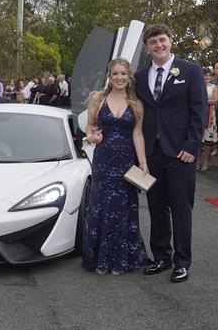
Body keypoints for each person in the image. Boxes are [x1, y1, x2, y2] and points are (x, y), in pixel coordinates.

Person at [134, 24, 207, 283]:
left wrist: (191, 146)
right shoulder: (140, 77)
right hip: (153, 154)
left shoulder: (191, 70)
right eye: (153, 42)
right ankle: (162, 256)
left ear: (170, 41)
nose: (158, 45)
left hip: (180, 154)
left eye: (162, 40)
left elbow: (199, 112)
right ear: (147, 47)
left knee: (181, 209)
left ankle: (182, 261)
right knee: (156, 208)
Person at [82, 57, 149, 275]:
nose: (119, 78)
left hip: (126, 163)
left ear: (129, 77)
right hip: (103, 162)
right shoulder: (97, 99)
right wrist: (92, 138)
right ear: (109, 77)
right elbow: (90, 127)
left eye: (123, 74)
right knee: (101, 207)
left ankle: (120, 260)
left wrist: (143, 163)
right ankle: (100, 259)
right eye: (115, 74)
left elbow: (137, 134)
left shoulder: (136, 104)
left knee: (122, 209)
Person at [200, 67, 218, 171]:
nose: (207, 77)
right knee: (198, 139)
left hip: (210, 115)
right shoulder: (197, 86)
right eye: (205, 75)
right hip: (198, 114)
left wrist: (202, 101)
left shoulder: (214, 87)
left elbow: (215, 100)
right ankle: (196, 161)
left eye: (209, 75)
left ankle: (206, 162)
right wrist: (207, 100)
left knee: (208, 141)